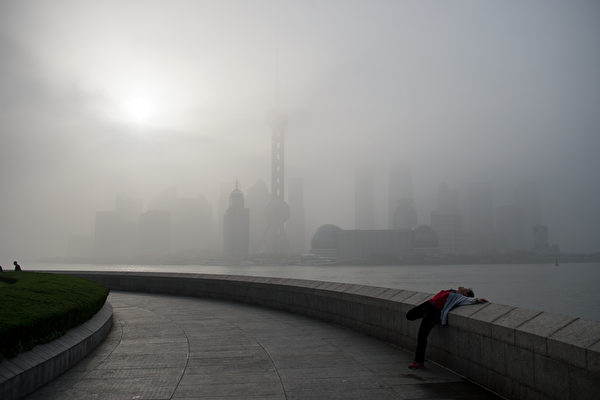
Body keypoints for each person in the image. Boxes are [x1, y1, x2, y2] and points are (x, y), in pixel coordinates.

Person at [405, 286, 487, 369]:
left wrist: (477, 300)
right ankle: (425, 318)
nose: (464, 288)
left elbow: (468, 300)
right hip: (428, 304)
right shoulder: (452, 291)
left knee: (422, 336)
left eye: (466, 290)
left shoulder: (459, 296)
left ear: (465, 294)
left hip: (433, 311)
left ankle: (419, 361)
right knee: (409, 315)